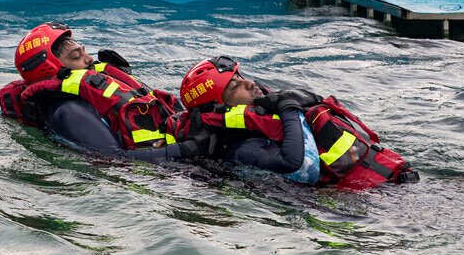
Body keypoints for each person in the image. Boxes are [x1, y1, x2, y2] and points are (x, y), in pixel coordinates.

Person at [178, 56, 418, 189]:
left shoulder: (266, 113)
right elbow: (296, 164)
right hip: (378, 201)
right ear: (220, 108)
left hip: (397, 178)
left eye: (240, 76)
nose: (249, 83)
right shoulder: (243, 148)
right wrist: (288, 107)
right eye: (234, 86)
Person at [0, 23, 196, 162]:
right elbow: (114, 160)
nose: (89, 59)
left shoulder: (91, 95)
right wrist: (188, 149)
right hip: (170, 175)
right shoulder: (68, 113)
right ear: (51, 69)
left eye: (84, 51)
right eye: (76, 56)